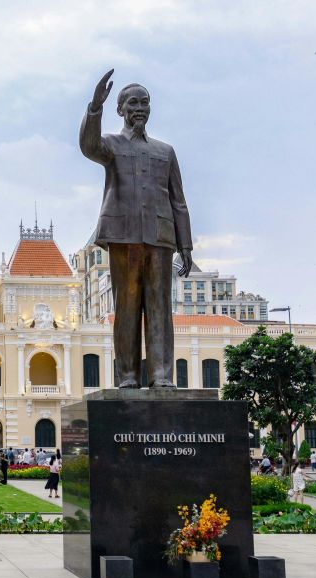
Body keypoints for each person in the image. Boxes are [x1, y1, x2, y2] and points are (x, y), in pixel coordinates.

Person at [80, 70, 194, 388]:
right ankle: (128, 376)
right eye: (133, 102)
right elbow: (89, 146)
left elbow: (178, 201)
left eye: (145, 103)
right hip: (123, 236)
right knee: (127, 306)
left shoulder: (165, 152)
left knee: (159, 307)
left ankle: (161, 377)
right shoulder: (111, 145)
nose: (140, 108)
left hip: (160, 237)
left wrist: (186, 246)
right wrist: (94, 108)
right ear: (121, 109)